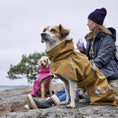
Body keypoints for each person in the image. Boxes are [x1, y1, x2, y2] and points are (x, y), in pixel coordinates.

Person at [77, 7, 118, 81]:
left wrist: (86, 69)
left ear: (96, 23)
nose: (87, 24)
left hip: (107, 71)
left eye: (89, 21)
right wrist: (82, 50)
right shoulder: (91, 38)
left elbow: (102, 59)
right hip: (95, 68)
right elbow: (88, 58)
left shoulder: (107, 39)